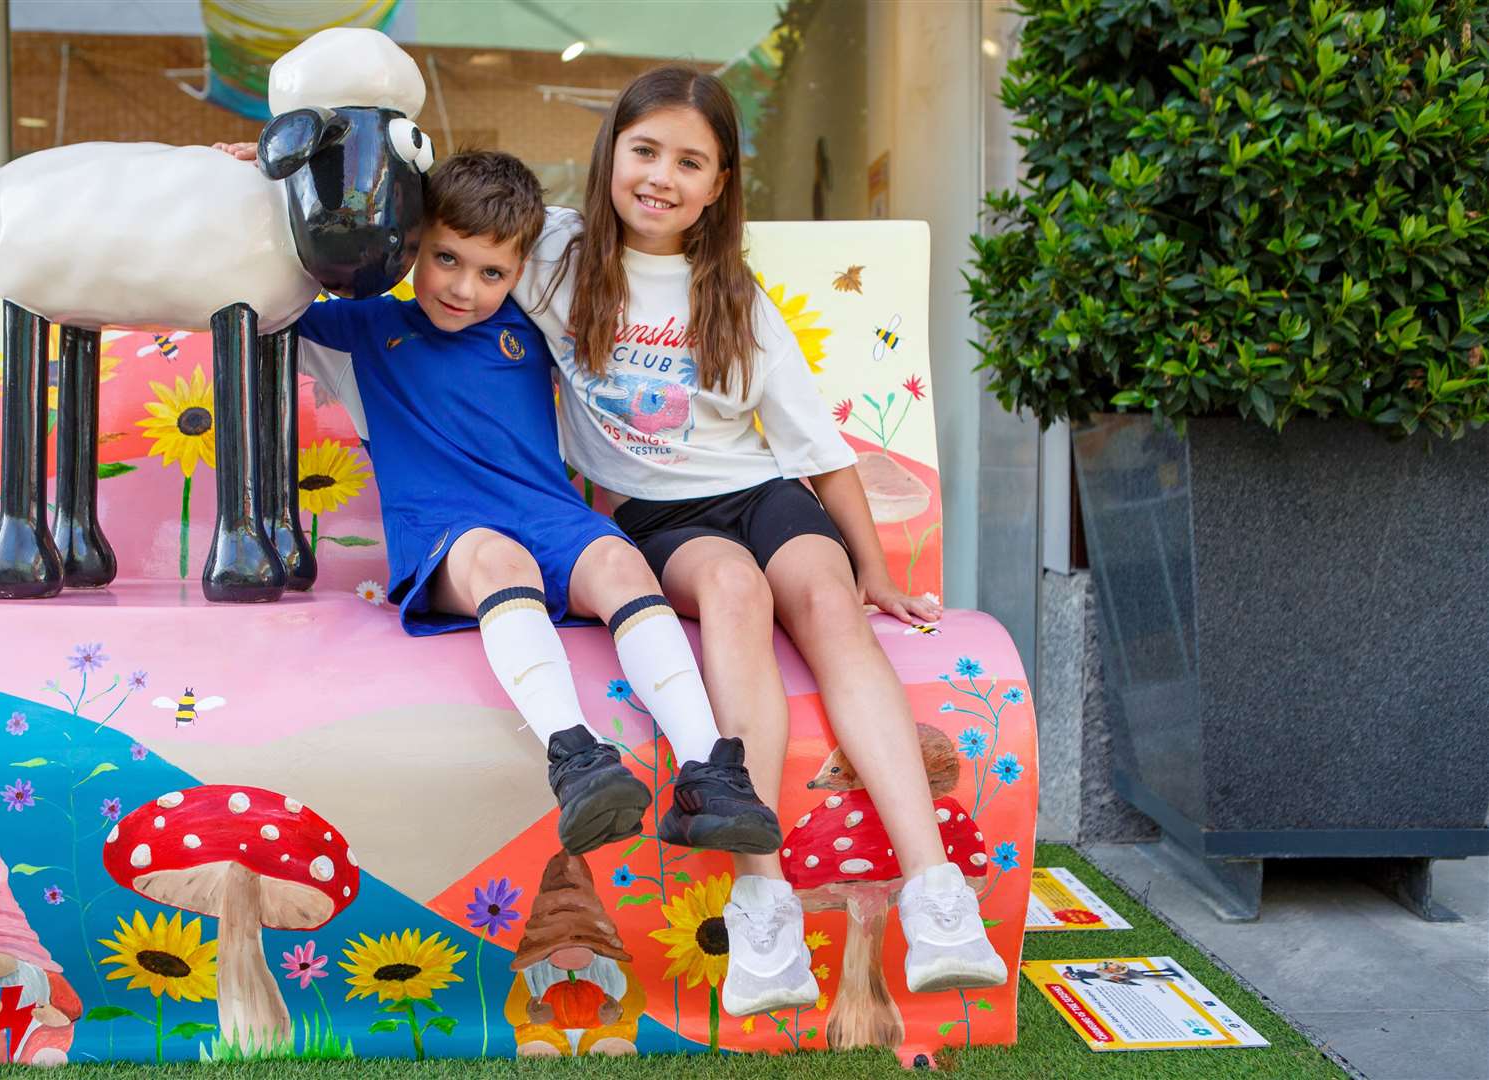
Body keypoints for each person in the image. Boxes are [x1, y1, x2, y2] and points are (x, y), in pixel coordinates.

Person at [510, 67, 1009, 1014]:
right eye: (645, 151)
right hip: (660, 519)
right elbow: (434, 213)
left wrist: (875, 571)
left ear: (720, 184)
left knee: (827, 602)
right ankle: (762, 902)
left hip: (764, 494)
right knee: (734, 592)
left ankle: (939, 896)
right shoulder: (556, 257)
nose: (662, 176)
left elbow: (820, 454)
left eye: (689, 162)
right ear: (611, 152)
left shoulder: (736, 298)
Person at [279, 149, 782, 861]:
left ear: (520, 273)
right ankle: (577, 757)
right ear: (414, 244)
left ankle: (709, 774)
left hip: (554, 519)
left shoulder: (538, 328)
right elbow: (265, 288)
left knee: (618, 559)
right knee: (499, 556)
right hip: (452, 538)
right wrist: (261, 184)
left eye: (493, 272)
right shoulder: (362, 329)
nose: (464, 288)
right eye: (447, 259)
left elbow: (597, 263)